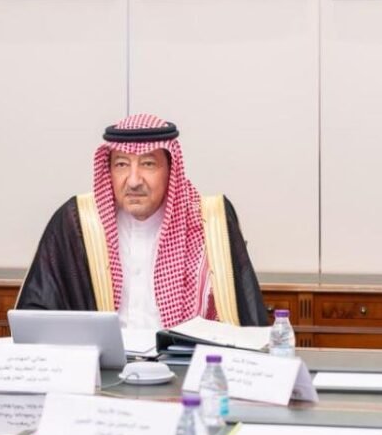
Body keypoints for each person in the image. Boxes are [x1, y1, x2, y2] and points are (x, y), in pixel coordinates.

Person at [17, 114, 266, 331]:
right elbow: (36, 313)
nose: (134, 180)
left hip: (186, 371)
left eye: (148, 164)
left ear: (171, 169)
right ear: (109, 170)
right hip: (101, 373)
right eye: (122, 164)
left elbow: (247, 318)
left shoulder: (211, 221)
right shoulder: (78, 222)